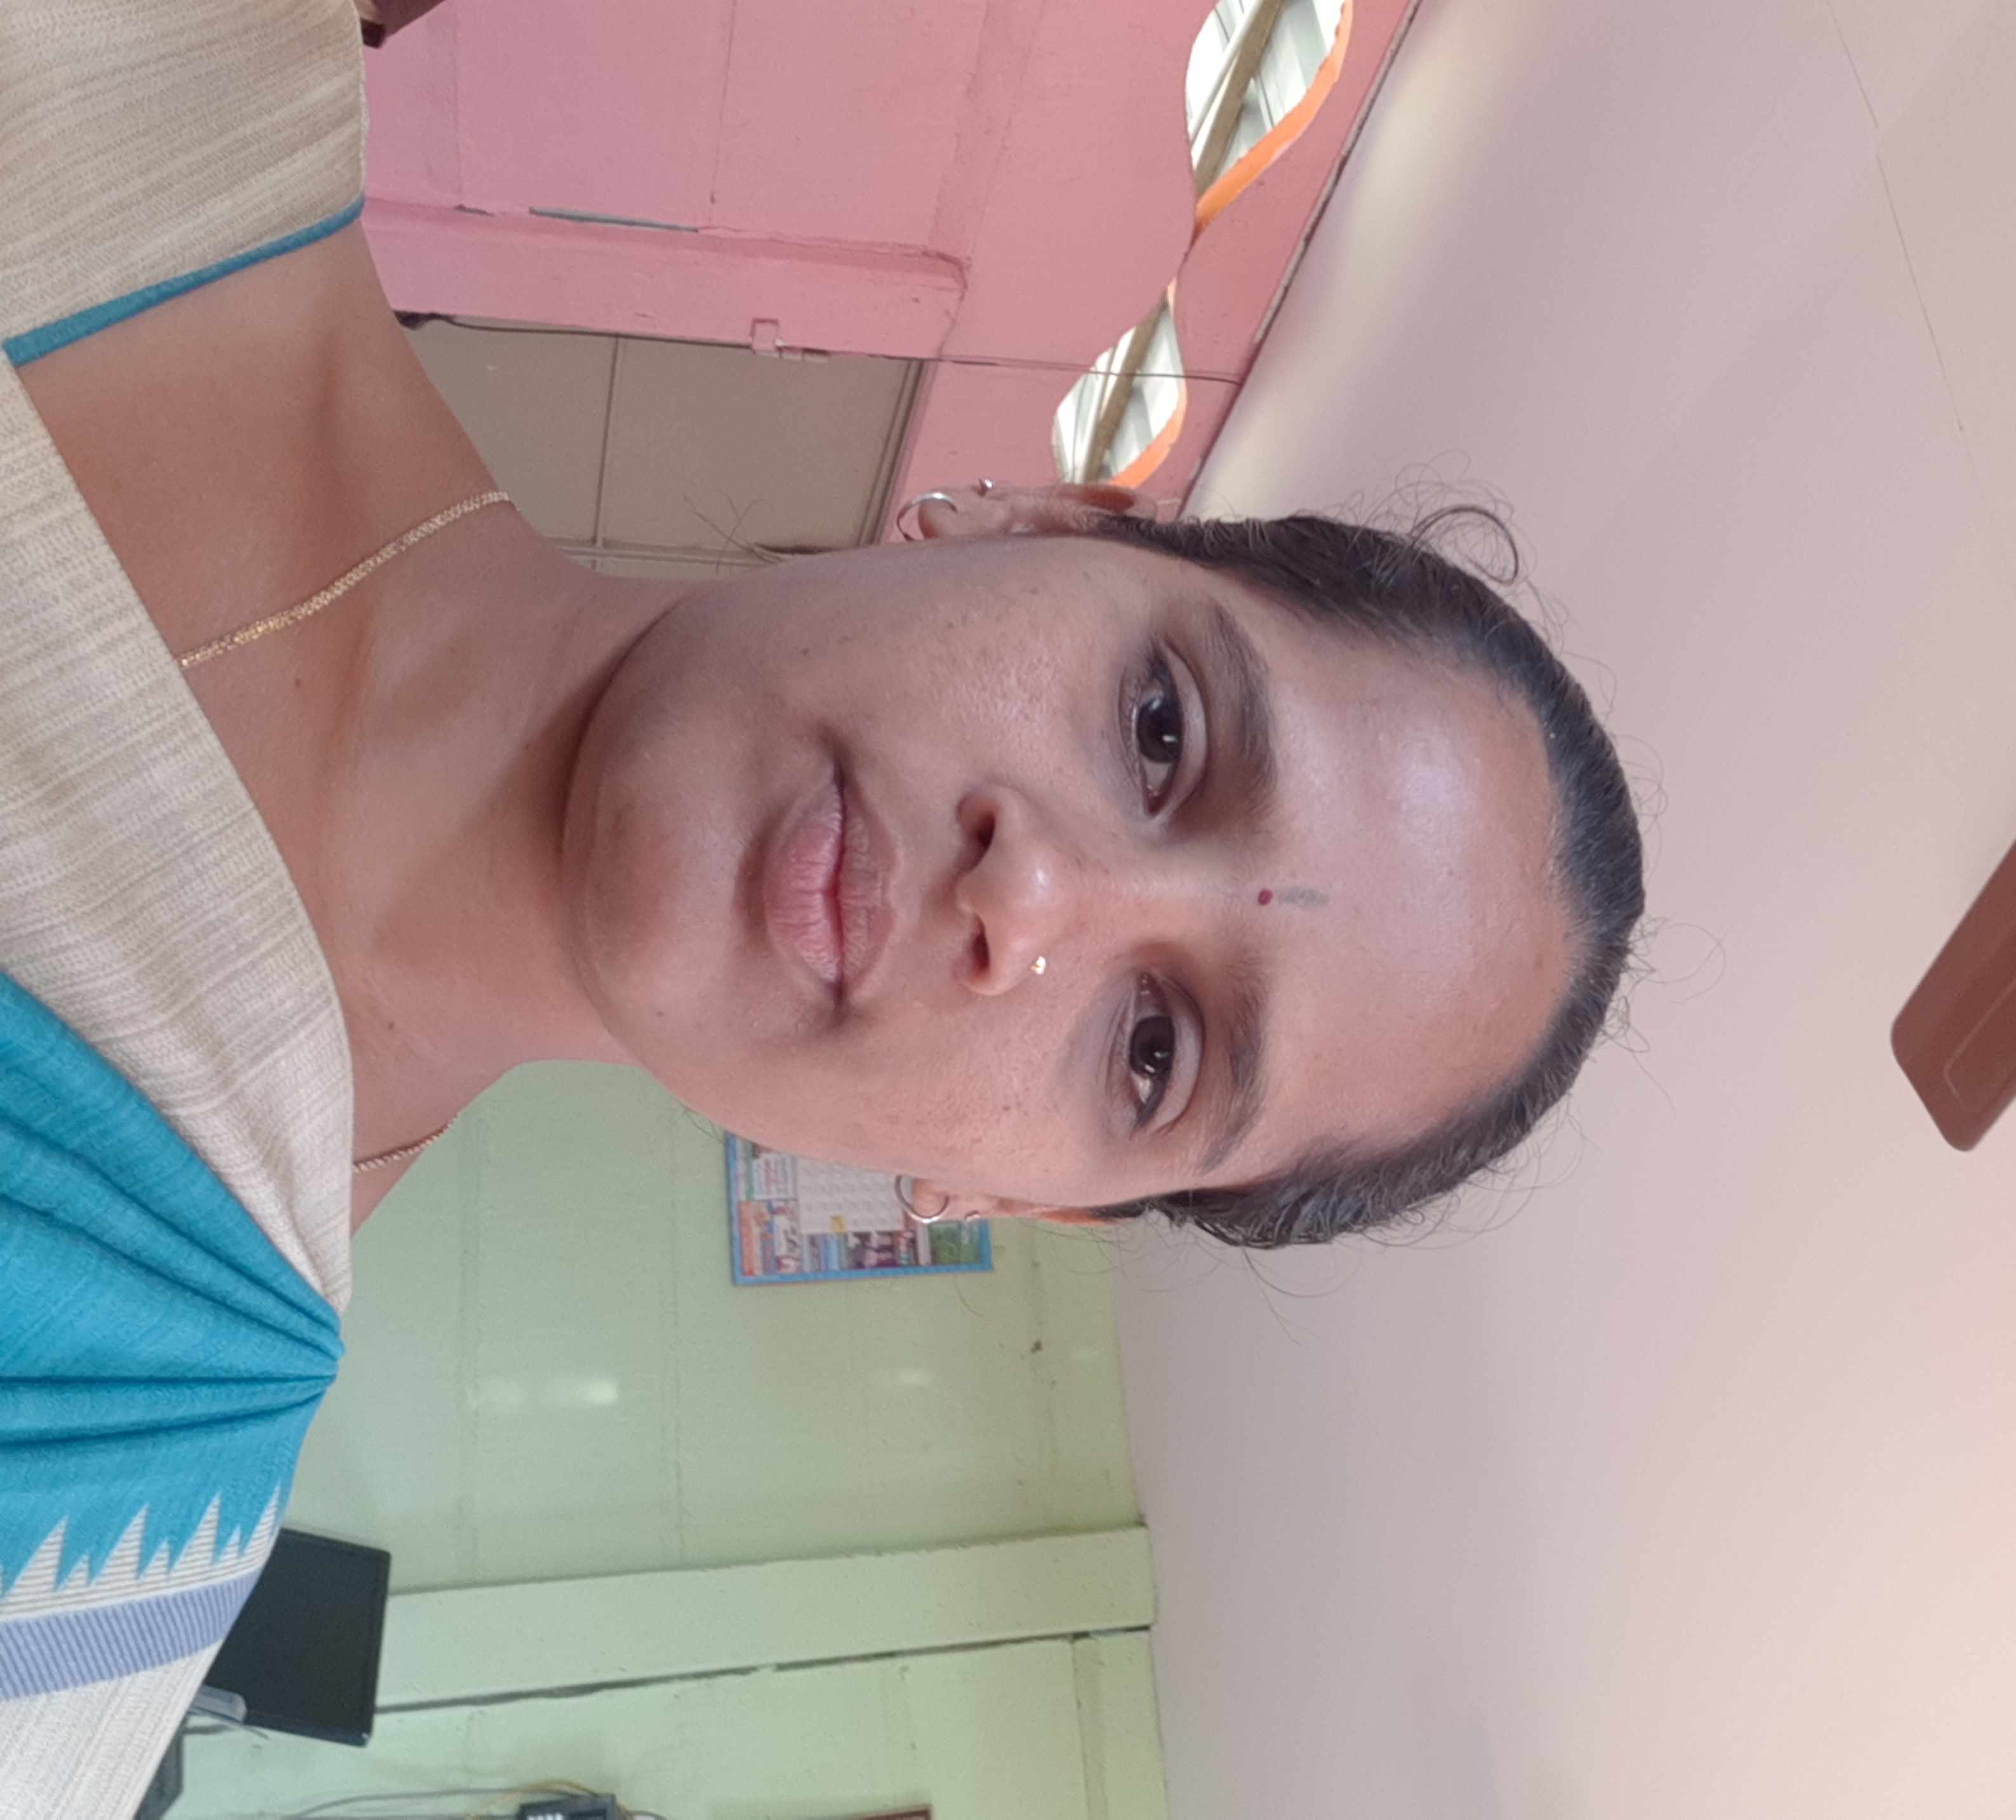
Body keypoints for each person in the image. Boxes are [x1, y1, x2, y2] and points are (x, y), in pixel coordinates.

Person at [0, 1, 1643, 1813]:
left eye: (1155, 1049)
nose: (1034, 891)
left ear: (1006, 1196)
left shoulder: (97, 1485)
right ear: (1031, 522)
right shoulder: (177, 42)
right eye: (1163, 729)